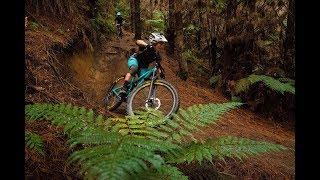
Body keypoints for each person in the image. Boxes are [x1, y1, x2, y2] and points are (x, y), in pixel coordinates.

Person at [119, 33, 168, 97]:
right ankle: (124, 87)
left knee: (146, 80)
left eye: (162, 44)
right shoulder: (147, 46)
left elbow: (158, 65)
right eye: (160, 43)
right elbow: (138, 41)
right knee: (134, 69)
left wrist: (160, 72)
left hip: (143, 67)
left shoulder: (157, 55)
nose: (162, 46)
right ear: (155, 42)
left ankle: (149, 98)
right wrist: (146, 45)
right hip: (134, 60)